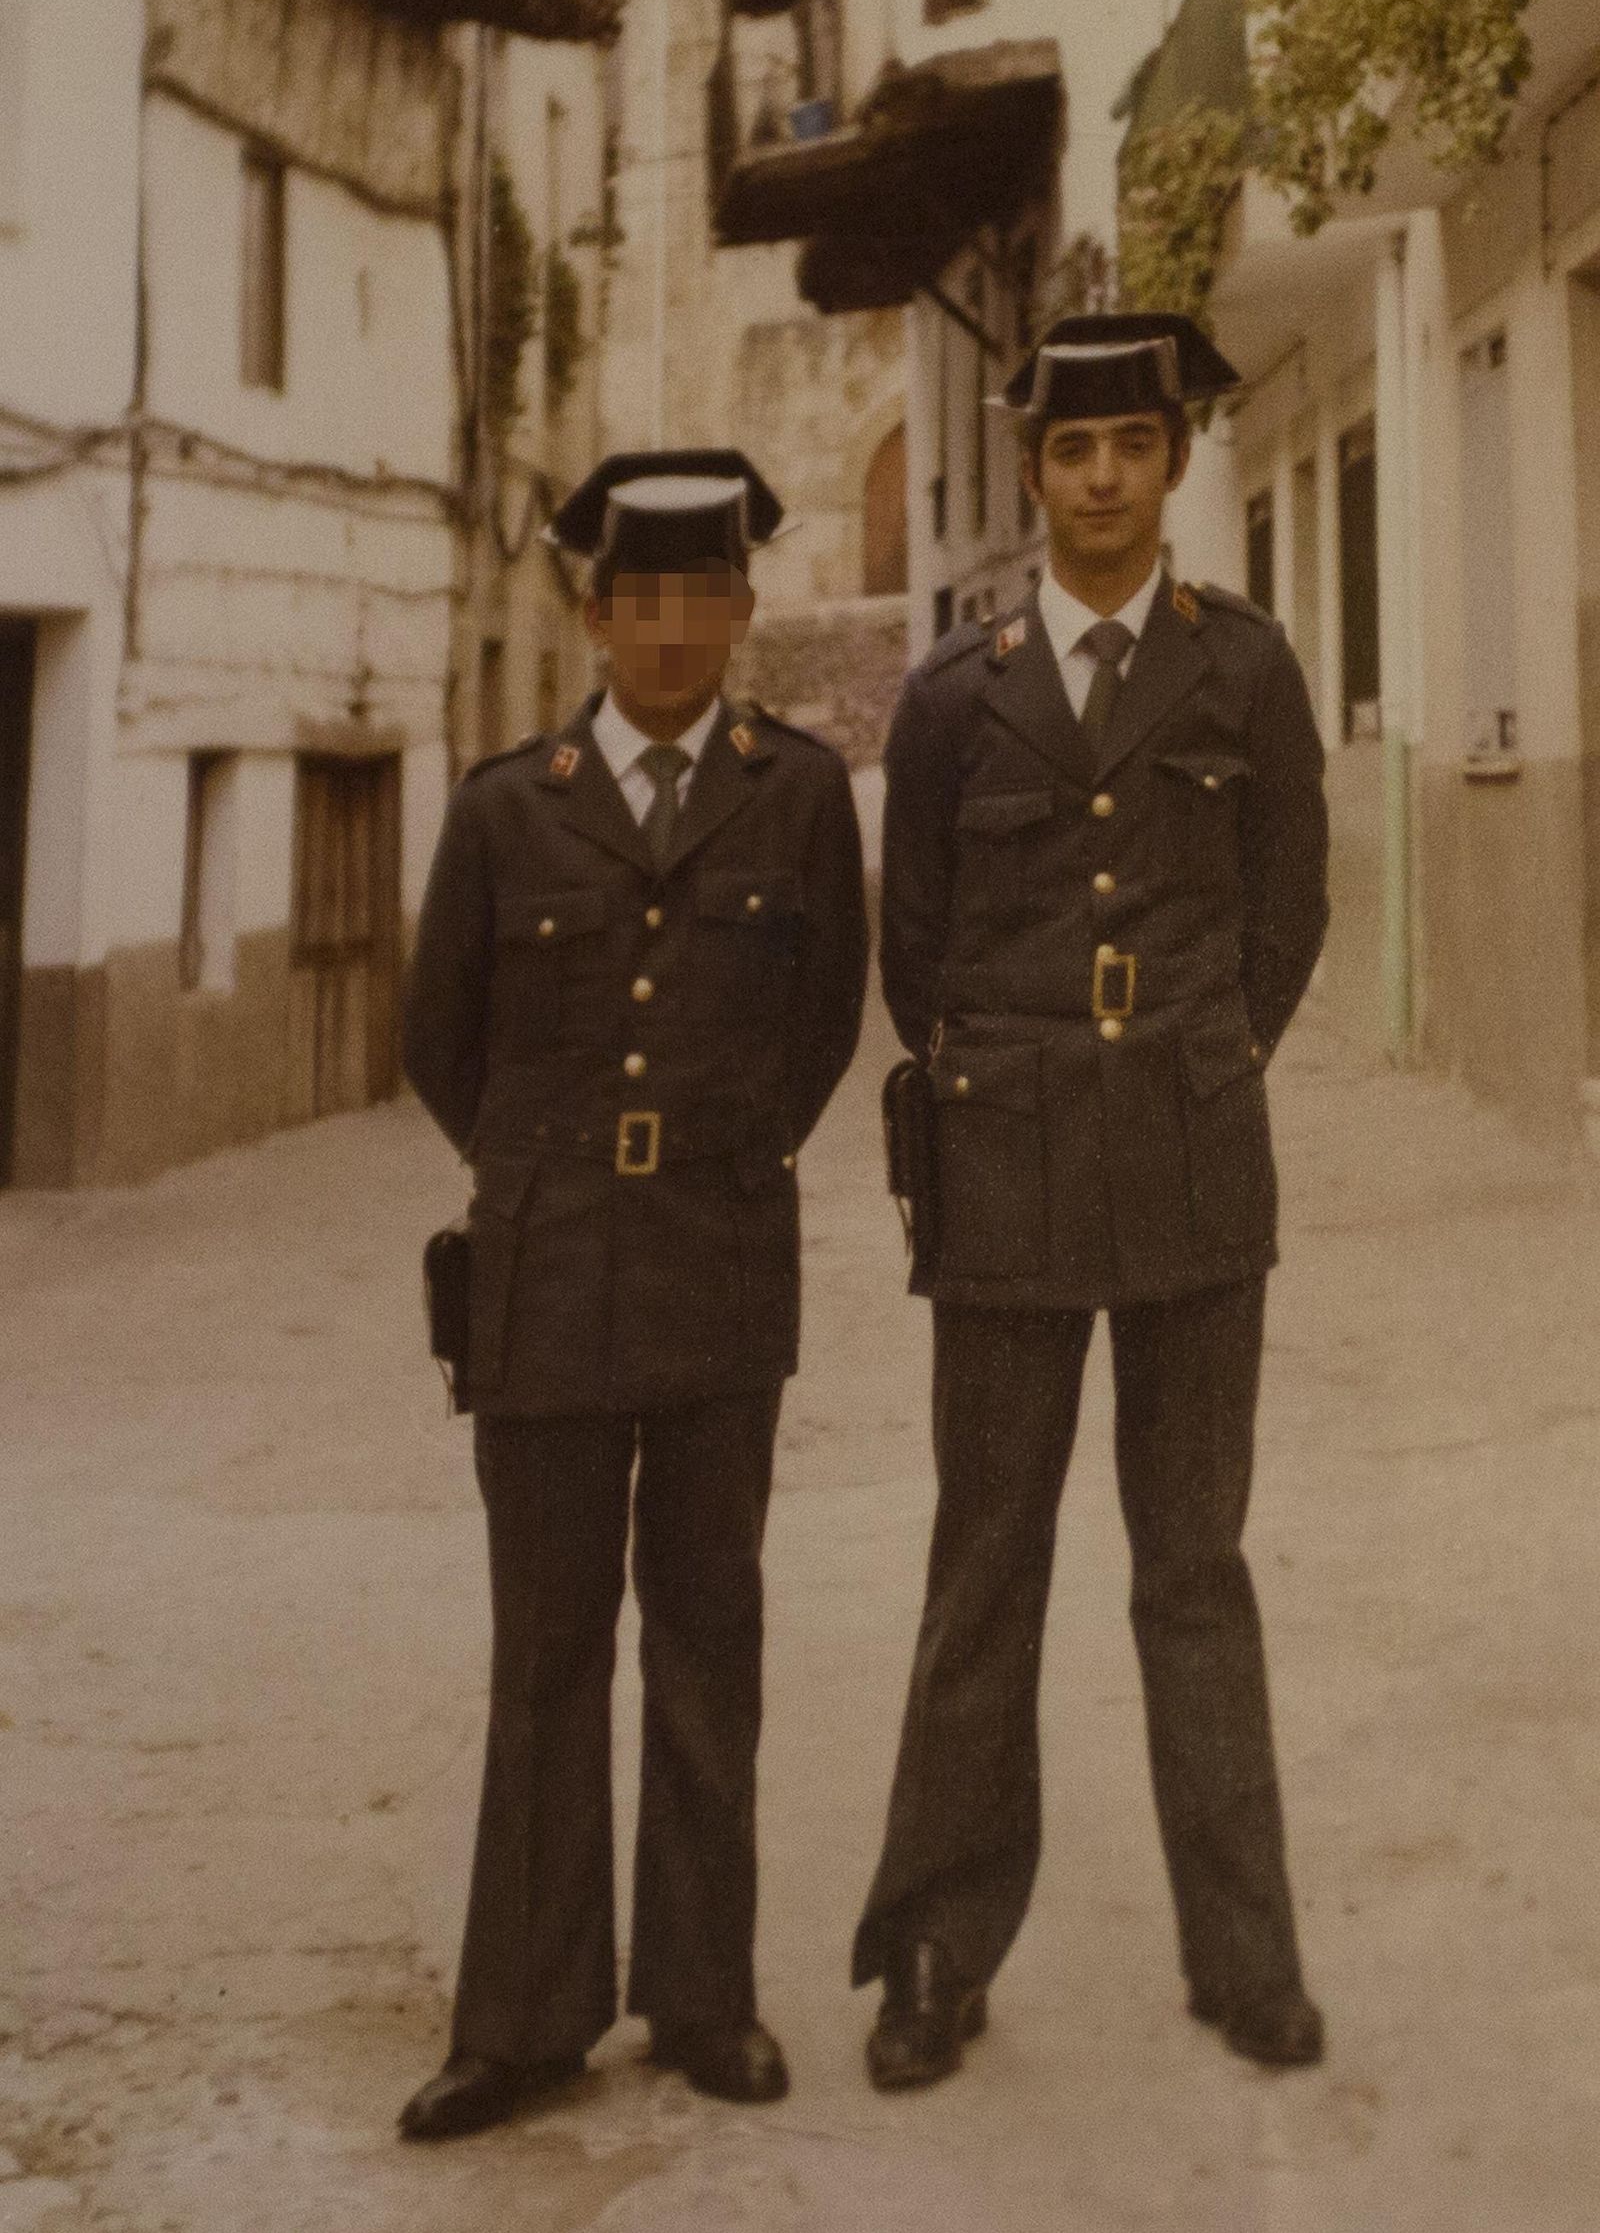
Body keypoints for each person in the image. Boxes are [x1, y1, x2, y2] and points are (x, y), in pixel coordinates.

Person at [852, 313, 1331, 2090]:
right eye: (1073, 451)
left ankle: (1247, 1959)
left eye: (1134, 443)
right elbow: (919, 962)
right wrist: (1027, 1083)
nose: (1105, 477)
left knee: (1194, 1569)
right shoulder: (953, 697)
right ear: (1037, 472)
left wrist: (1201, 1056)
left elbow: (1289, 912)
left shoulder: (1246, 672)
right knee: (986, 1566)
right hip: (1008, 1169)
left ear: (1177, 463)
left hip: (1197, 1163)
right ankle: (932, 1954)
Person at [398, 450, 867, 2137]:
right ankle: (521, 2017)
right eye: (638, 599)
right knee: (546, 1648)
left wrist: (715, 1157)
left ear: (743, 610)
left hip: (721, 1268)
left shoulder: (796, 790)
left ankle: (701, 1992)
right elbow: (437, 1040)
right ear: (593, 614)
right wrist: (551, 1168)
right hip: (547, 1271)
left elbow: (824, 1024)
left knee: (707, 1634)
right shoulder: (502, 804)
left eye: (704, 597)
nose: (672, 631)